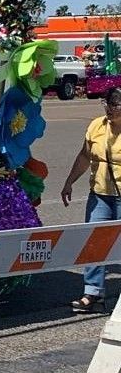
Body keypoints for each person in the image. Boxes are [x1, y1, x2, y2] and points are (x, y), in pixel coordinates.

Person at [60, 86, 121, 311]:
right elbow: (85, 155)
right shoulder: (97, 126)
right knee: (94, 243)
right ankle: (93, 293)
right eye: (107, 102)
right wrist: (69, 182)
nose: (109, 108)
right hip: (100, 196)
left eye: (115, 104)